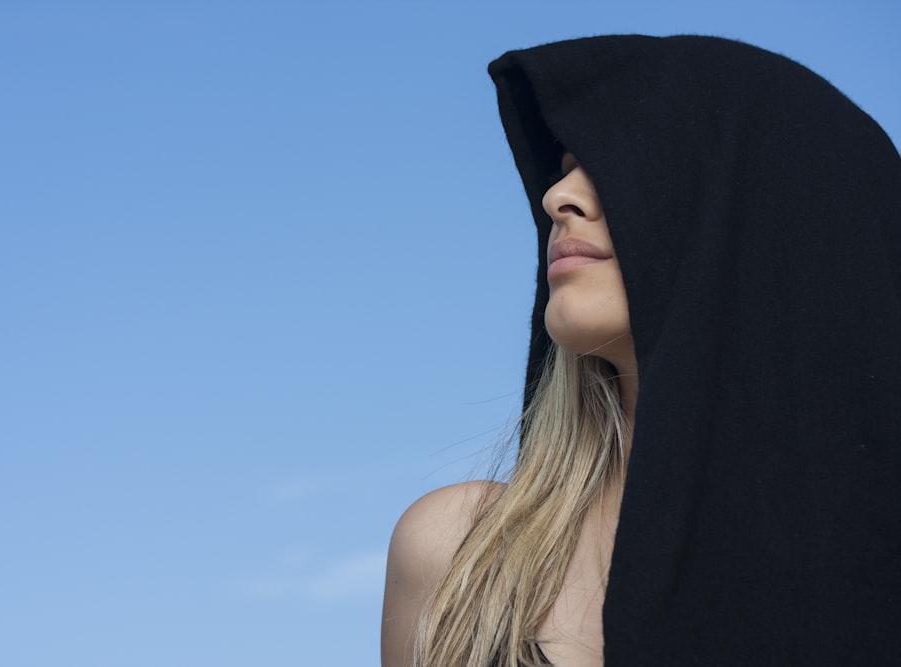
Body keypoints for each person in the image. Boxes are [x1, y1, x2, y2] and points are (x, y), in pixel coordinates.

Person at [381, 35, 901, 667]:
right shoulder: (458, 556)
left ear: (762, 209)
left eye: (616, 165)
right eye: (565, 166)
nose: (556, 198)